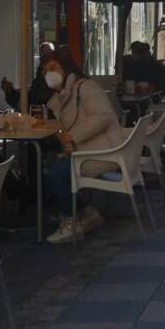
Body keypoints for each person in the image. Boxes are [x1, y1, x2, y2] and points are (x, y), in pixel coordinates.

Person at [43, 50, 126, 244]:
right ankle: (85, 212)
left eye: (53, 68)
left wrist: (71, 138)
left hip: (102, 152)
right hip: (84, 151)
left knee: (54, 174)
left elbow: (102, 117)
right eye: (45, 71)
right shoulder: (60, 97)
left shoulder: (85, 88)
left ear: (65, 68)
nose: (49, 74)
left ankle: (71, 220)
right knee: (50, 166)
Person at [2, 41, 55, 111]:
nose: (44, 56)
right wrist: (10, 91)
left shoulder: (54, 80)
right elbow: (32, 98)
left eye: (47, 53)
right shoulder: (41, 74)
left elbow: (37, 100)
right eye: (42, 54)